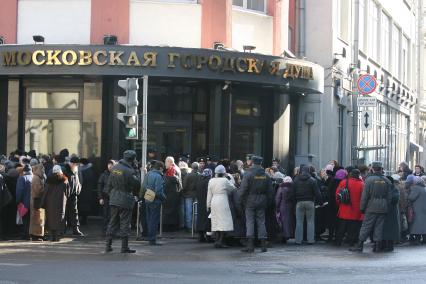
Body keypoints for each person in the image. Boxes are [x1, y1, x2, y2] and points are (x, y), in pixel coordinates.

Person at [350, 161, 392, 253]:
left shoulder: (369, 180)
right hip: (383, 206)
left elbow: (365, 196)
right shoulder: (386, 181)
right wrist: (386, 206)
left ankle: (360, 245)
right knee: (379, 226)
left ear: (372, 169)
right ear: (381, 169)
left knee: (366, 226)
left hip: (371, 206)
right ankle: (377, 246)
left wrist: (362, 207)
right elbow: (389, 197)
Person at [105, 150, 141, 253]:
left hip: (114, 197)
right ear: (133, 159)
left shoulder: (115, 168)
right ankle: (124, 247)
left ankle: (108, 245)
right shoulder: (130, 171)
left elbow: (109, 183)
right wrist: (137, 171)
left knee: (112, 222)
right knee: (125, 223)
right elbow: (137, 185)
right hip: (125, 199)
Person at [240, 156, 274, 253]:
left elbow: (243, 189)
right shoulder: (266, 175)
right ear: (261, 163)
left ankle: (250, 246)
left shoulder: (248, 174)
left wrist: (240, 201)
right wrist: (268, 202)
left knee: (250, 221)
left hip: (250, 200)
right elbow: (270, 192)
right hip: (262, 200)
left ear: (253, 162)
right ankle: (263, 245)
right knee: (261, 221)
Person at [291, 165, 323, 245]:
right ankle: (310, 240)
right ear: (308, 171)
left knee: (299, 222)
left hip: (299, 203)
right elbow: (317, 193)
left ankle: (298, 240)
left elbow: (292, 193)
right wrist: (321, 202)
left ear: (301, 171)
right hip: (310, 202)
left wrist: (294, 204)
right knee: (310, 222)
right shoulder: (312, 180)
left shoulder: (296, 180)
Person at [207, 165, 236, 248]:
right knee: (223, 222)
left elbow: (209, 194)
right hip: (223, 201)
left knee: (216, 221)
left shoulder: (211, 180)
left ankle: (217, 240)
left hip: (214, 201)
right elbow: (233, 188)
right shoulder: (225, 180)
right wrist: (230, 179)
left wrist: (208, 205)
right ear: (223, 172)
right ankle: (221, 241)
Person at [334, 169, 364, 247]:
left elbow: (337, 194)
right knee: (352, 228)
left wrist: (339, 204)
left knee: (341, 227)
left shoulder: (344, 182)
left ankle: (338, 242)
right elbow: (363, 197)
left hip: (344, 208)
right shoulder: (361, 184)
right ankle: (351, 243)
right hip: (356, 210)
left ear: (350, 174)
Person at [142, 161, 166, 246]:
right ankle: (152, 239)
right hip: (155, 200)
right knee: (154, 220)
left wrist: (148, 193)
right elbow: (159, 191)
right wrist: (164, 198)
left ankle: (149, 237)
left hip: (148, 197)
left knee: (149, 219)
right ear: (160, 168)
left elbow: (144, 186)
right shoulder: (158, 176)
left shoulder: (148, 174)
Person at [45, 165, 70, 242]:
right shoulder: (65, 181)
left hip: (50, 203)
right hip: (61, 202)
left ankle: (52, 236)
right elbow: (68, 192)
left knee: (51, 218)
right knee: (59, 218)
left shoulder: (48, 181)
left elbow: (45, 192)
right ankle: (57, 236)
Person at [63, 156, 84, 236]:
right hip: (65, 195)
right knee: (64, 213)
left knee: (74, 212)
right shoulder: (65, 170)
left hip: (73, 194)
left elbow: (78, 180)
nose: (76, 166)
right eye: (75, 164)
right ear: (72, 163)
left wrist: (78, 189)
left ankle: (76, 229)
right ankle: (63, 229)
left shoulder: (75, 170)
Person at [381, 175, 400, 252]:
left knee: (390, 229)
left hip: (390, 211)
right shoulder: (392, 189)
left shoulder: (394, 189)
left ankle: (389, 245)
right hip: (386, 211)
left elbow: (395, 199)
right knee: (384, 229)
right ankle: (383, 245)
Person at [162, 156, 182, 231]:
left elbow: (168, 182)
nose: (165, 164)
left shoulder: (172, 170)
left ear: (170, 162)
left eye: (166, 162)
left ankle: (169, 227)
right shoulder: (175, 168)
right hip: (173, 193)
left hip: (171, 194)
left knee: (170, 211)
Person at [98, 160, 115, 234]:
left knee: (113, 215)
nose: (110, 166)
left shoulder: (116, 174)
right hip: (106, 197)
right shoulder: (104, 174)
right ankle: (105, 230)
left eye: (111, 165)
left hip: (114, 197)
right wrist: (100, 197)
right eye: (109, 164)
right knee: (105, 214)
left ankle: (111, 230)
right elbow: (99, 186)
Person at [181, 162, 200, 233]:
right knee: (196, 212)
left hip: (188, 195)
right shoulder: (200, 175)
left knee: (188, 211)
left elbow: (184, 186)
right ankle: (195, 226)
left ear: (191, 167)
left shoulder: (188, 175)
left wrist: (184, 191)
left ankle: (189, 227)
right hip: (197, 195)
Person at [29, 162, 46, 241]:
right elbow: (37, 190)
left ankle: (38, 234)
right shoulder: (36, 177)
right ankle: (35, 235)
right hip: (37, 200)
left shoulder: (39, 177)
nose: (43, 170)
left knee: (39, 218)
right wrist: (45, 189)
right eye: (42, 168)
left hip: (38, 200)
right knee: (37, 219)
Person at [16, 164, 33, 240]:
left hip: (24, 203)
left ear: (24, 171)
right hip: (33, 202)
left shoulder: (22, 178)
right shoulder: (34, 177)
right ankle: (30, 233)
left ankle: (25, 235)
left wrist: (17, 201)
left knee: (25, 219)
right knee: (31, 219)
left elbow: (19, 191)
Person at [407, 176, 426, 245]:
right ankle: (424, 239)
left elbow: (411, 198)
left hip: (417, 209)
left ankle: (417, 239)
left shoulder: (416, 188)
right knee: (423, 224)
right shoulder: (423, 188)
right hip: (423, 209)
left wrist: (408, 195)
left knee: (417, 224)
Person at [78, 158, 97, 226]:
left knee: (82, 205)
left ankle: (82, 220)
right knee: (86, 206)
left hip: (82, 190)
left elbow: (80, 181)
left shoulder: (82, 171)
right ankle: (84, 219)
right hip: (88, 190)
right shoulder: (91, 169)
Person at [275, 176, 294, 243]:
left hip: (282, 206)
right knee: (289, 221)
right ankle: (289, 235)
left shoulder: (281, 188)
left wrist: (277, 207)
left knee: (282, 221)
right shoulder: (293, 188)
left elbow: (278, 198)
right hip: (291, 206)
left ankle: (284, 236)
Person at [196, 168, 213, 242]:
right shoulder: (209, 182)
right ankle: (208, 237)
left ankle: (200, 236)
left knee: (200, 219)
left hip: (200, 203)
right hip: (207, 203)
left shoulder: (199, 181)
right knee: (207, 220)